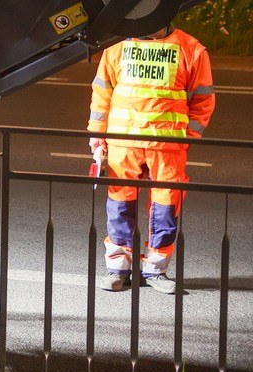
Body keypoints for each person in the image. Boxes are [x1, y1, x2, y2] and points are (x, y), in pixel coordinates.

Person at [88, 24, 214, 293]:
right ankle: (118, 268)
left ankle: (156, 270)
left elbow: (204, 99)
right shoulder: (116, 45)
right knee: (120, 206)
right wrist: (97, 134)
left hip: (167, 146)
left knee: (165, 208)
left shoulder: (191, 49)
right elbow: (102, 92)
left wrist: (187, 137)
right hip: (124, 142)